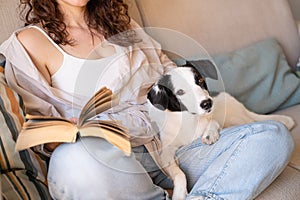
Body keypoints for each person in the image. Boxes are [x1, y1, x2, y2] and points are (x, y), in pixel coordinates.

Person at [0, 0, 294, 199]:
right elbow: (37, 130)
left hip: (173, 146)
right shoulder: (29, 43)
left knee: (272, 137)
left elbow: (168, 72)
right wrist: (75, 130)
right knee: (74, 159)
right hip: (111, 162)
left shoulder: (121, 23)